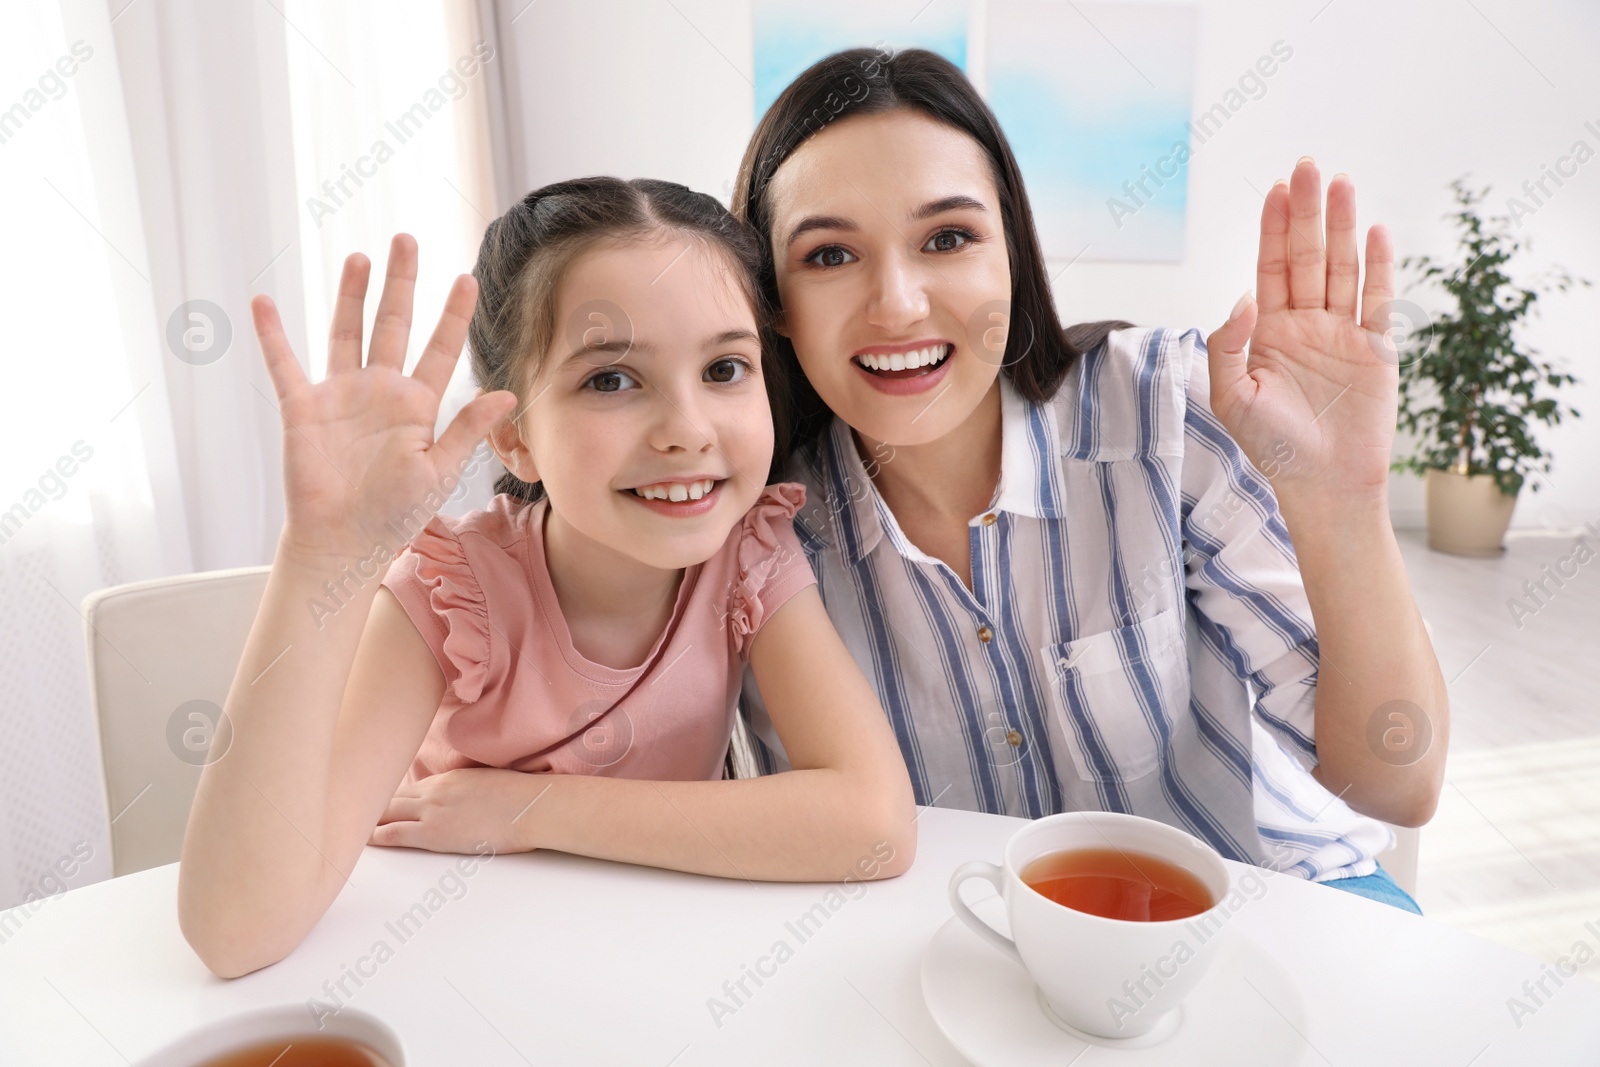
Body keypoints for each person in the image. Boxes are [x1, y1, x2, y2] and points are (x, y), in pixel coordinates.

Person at [730, 48, 1449, 915]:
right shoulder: (764, 538)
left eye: (948, 238)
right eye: (830, 255)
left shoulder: (1163, 411)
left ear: (1012, 252)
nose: (898, 304)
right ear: (773, 301)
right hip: (979, 957)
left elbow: (1396, 785)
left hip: (1275, 907)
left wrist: (1344, 501)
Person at [177, 177, 916, 979]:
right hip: (455, 964)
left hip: (655, 965)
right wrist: (323, 555)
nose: (688, 429)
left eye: (726, 368)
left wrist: (529, 807)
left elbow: (873, 822)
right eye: (611, 379)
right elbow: (236, 931)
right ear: (515, 436)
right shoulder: (452, 590)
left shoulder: (749, 555)